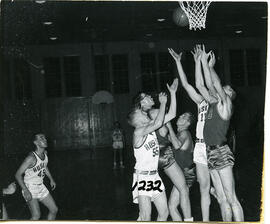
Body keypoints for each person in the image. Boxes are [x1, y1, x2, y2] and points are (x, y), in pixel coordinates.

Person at [169, 46, 230, 221]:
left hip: (214, 145)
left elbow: (203, 84)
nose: (208, 89)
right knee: (204, 189)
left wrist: (203, 63)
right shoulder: (201, 102)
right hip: (200, 147)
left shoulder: (218, 104)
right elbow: (188, 85)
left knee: (220, 191)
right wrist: (181, 62)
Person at [199, 46, 244, 221]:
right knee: (222, 198)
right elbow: (208, 85)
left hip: (221, 152)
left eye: (226, 89)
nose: (221, 89)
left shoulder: (226, 106)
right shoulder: (212, 104)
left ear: (229, 95)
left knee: (231, 198)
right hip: (210, 152)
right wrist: (203, 62)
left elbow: (215, 84)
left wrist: (210, 67)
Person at [127, 80, 177, 221]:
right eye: (140, 114)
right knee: (145, 216)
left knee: (164, 213)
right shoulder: (139, 131)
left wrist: (172, 94)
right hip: (143, 177)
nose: (144, 115)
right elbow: (158, 122)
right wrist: (162, 103)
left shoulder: (149, 124)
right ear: (135, 118)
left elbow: (172, 114)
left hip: (154, 176)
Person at [148, 109, 193, 221]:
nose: (180, 117)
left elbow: (177, 145)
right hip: (180, 171)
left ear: (187, 123)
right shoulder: (178, 134)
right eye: (181, 115)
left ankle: (189, 220)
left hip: (187, 171)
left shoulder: (184, 133)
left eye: (184, 117)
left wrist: (169, 126)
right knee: (172, 207)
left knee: (182, 194)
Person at [15, 134, 58, 220]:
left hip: (40, 186)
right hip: (29, 187)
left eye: (45, 137)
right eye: (41, 138)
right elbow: (17, 174)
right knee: (36, 215)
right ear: (35, 142)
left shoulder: (45, 153)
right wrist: (26, 190)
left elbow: (44, 166)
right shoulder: (31, 158)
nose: (45, 139)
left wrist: (51, 179)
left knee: (54, 209)